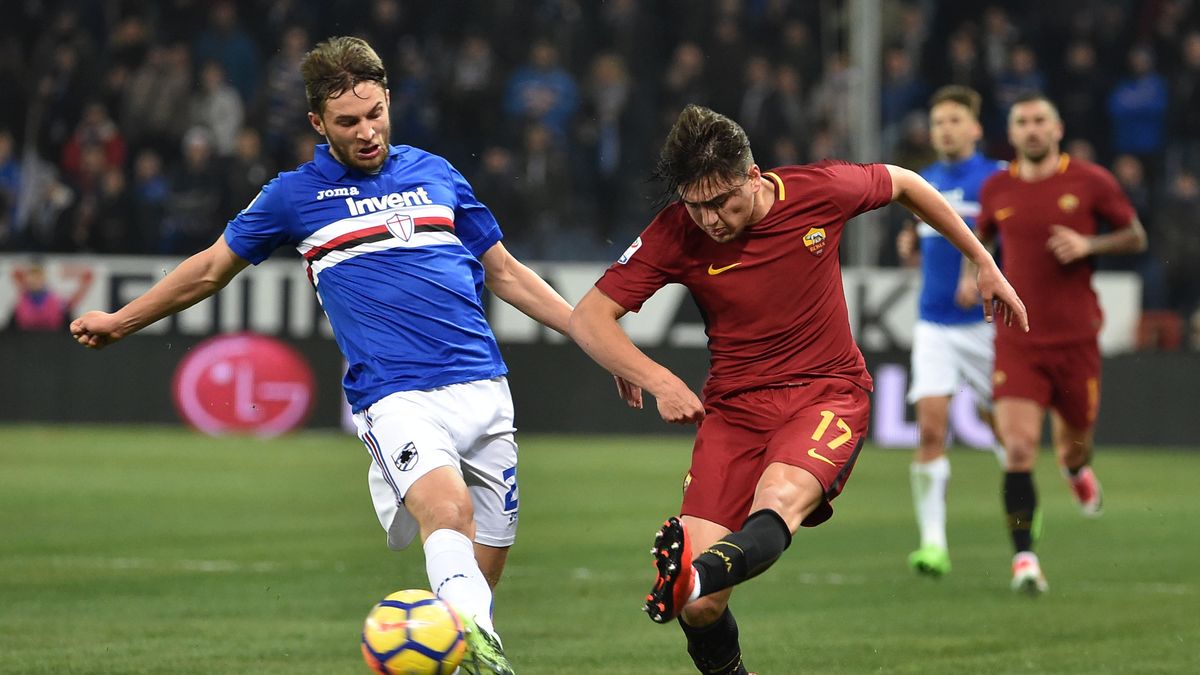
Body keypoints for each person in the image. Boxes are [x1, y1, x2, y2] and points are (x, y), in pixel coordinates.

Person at [69, 36, 576, 675]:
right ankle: (489, 661)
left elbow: (504, 272)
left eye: (375, 114)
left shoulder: (437, 173)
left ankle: (472, 649)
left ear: (389, 100)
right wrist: (122, 320)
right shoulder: (294, 196)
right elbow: (208, 270)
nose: (367, 133)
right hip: (396, 397)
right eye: (348, 123)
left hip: (484, 389)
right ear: (317, 123)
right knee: (447, 516)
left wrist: (595, 339)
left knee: (485, 565)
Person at [567, 104, 1027, 675]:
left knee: (777, 502)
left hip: (825, 394)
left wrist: (982, 260)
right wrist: (655, 377)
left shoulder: (819, 190)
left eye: (720, 201)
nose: (709, 218)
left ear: (753, 176)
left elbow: (906, 183)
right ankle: (698, 585)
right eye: (695, 203)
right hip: (734, 412)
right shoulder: (676, 232)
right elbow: (589, 317)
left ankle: (695, 571)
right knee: (702, 609)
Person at [976, 92, 1147, 595]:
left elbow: (1135, 234)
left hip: (1075, 340)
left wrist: (1089, 244)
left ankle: (1076, 471)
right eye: (1022, 122)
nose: (1031, 129)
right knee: (1021, 448)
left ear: (1057, 129)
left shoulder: (1090, 180)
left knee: (1073, 446)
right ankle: (1024, 559)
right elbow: (983, 239)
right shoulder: (996, 188)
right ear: (1011, 133)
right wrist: (976, 270)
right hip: (1018, 338)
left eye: (1039, 121)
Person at [895, 86, 1006, 578]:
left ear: (976, 128)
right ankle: (933, 544)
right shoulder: (924, 181)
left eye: (955, 120)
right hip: (934, 322)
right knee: (932, 428)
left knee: (1010, 435)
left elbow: (1009, 234)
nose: (945, 128)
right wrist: (909, 241)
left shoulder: (998, 179)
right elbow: (926, 238)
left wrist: (975, 269)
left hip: (986, 324)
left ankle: (1024, 521)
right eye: (938, 121)